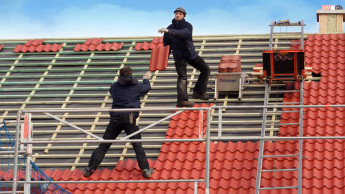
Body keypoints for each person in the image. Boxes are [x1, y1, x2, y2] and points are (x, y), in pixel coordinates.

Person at [83, 67, 154, 179]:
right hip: (130, 118)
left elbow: (113, 90)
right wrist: (146, 78)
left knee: (104, 145)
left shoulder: (114, 87)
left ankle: (89, 169)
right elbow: (147, 87)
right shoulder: (136, 86)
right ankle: (145, 170)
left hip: (115, 118)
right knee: (137, 146)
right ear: (131, 75)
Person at [158, 7, 211, 107]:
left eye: (180, 14)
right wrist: (163, 59)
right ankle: (182, 100)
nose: (178, 15)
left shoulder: (187, 26)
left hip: (190, 54)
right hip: (179, 56)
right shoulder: (169, 28)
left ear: (184, 16)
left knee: (206, 69)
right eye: (176, 13)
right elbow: (166, 44)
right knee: (182, 77)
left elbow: (183, 34)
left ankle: (198, 92)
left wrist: (169, 31)